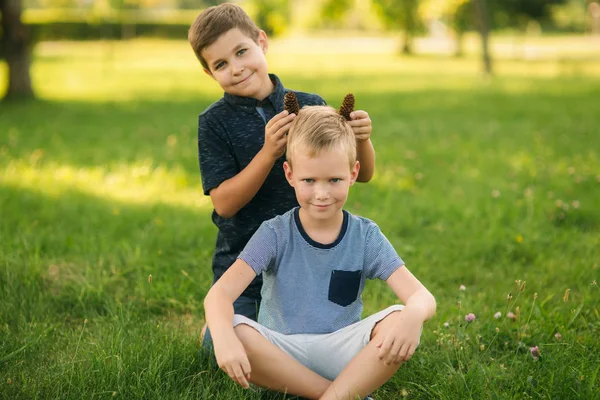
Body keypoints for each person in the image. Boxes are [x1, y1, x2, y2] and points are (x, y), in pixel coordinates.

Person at [204, 105, 437, 400]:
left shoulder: (365, 236)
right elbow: (219, 295)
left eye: (334, 180)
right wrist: (224, 338)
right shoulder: (274, 233)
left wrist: (414, 316)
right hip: (281, 354)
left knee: (399, 317)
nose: (322, 193)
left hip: (340, 353)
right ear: (290, 175)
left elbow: (422, 297)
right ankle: (338, 394)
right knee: (227, 327)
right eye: (309, 181)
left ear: (353, 173)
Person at [187, 3, 376, 347]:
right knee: (222, 347)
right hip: (247, 269)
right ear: (209, 74)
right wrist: (268, 153)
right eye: (221, 64)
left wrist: (362, 140)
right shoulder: (214, 122)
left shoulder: (310, 104)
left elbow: (359, 176)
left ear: (262, 41)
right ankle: (219, 328)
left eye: (242, 51)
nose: (237, 68)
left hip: (309, 263)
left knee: (321, 343)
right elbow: (225, 204)